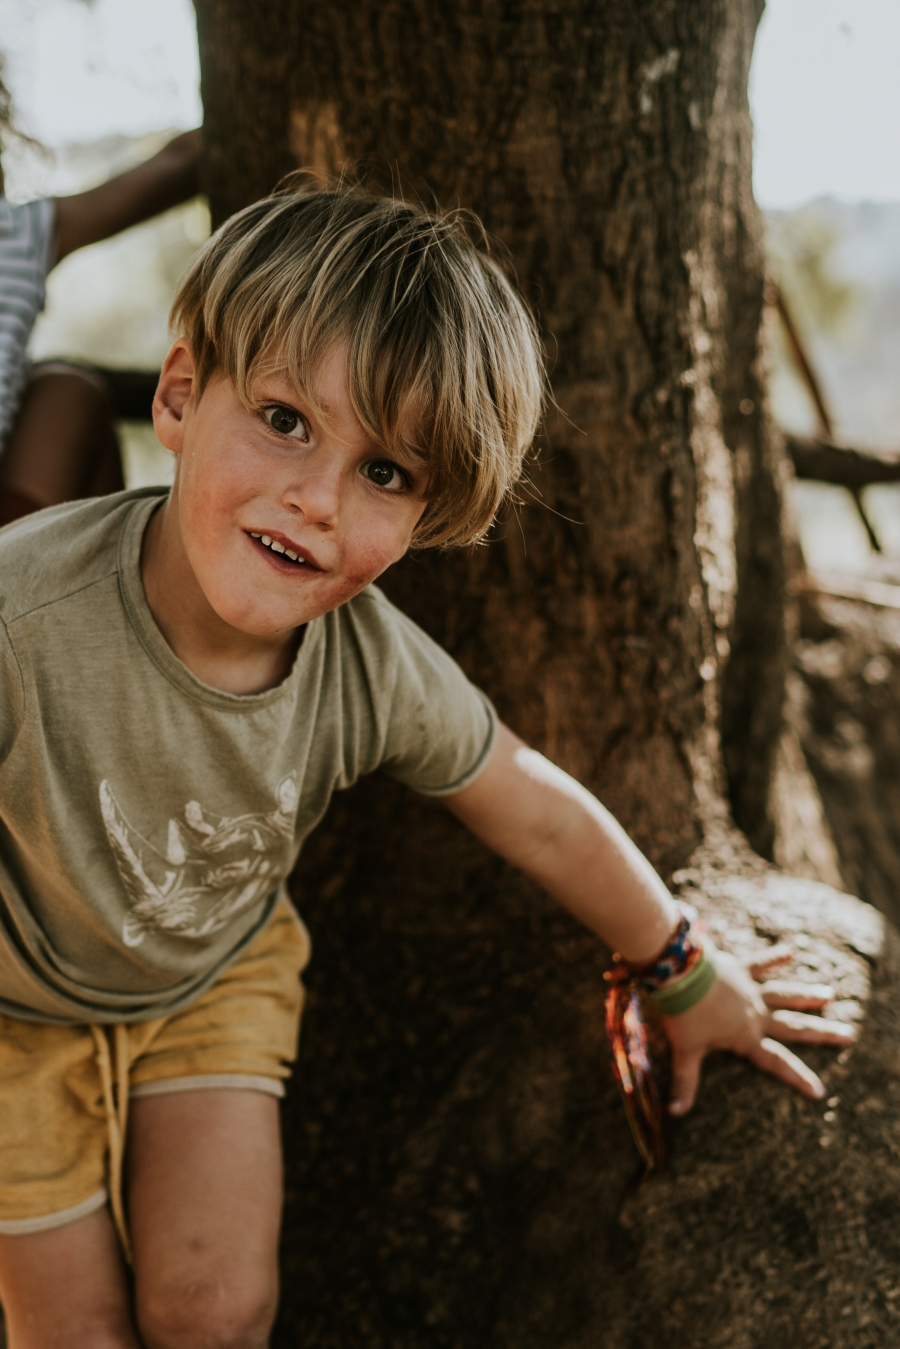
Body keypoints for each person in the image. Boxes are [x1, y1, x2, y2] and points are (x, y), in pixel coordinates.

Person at [0, 183, 853, 1349]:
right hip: (12, 1007)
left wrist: (685, 969)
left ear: (425, 513)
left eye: (386, 473)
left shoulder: (369, 665)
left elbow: (535, 808)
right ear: (184, 393)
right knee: (76, 1333)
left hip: (207, 976)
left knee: (215, 1310)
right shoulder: (23, 612)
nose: (317, 497)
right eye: (288, 419)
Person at [0, 65, 200, 525]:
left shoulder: (18, 233)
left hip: (12, 541)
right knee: (69, 394)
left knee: (68, 394)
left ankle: (82, 578)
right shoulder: (18, 234)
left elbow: (180, 165)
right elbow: (181, 164)